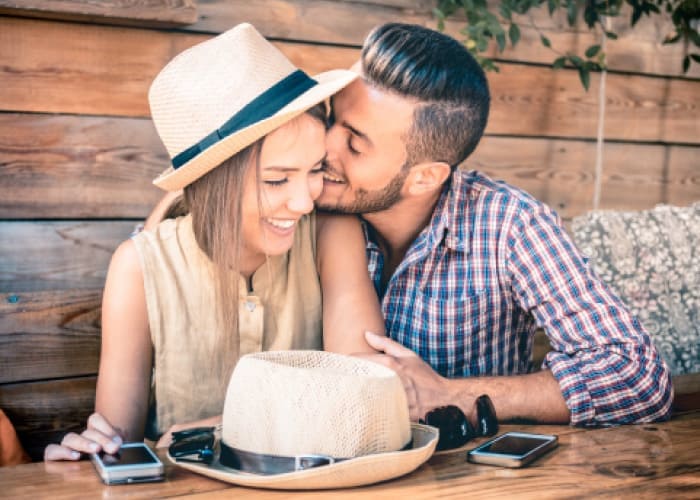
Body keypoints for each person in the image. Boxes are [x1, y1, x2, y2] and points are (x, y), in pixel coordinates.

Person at [44, 23, 385, 461]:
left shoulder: (332, 236)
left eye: (315, 169)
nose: (303, 202)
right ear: (213, 184)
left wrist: (215, 428)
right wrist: (91, 455)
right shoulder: (139, 267)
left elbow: (366, 393)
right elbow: (120, 447)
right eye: (276, 179)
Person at [316, 23, 673, 427]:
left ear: (425, 178)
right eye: (331, 120)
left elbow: (639, 378)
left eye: (355, 145)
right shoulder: (300, 200)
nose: (324, 147)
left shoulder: (511, 226)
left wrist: (451, 395)